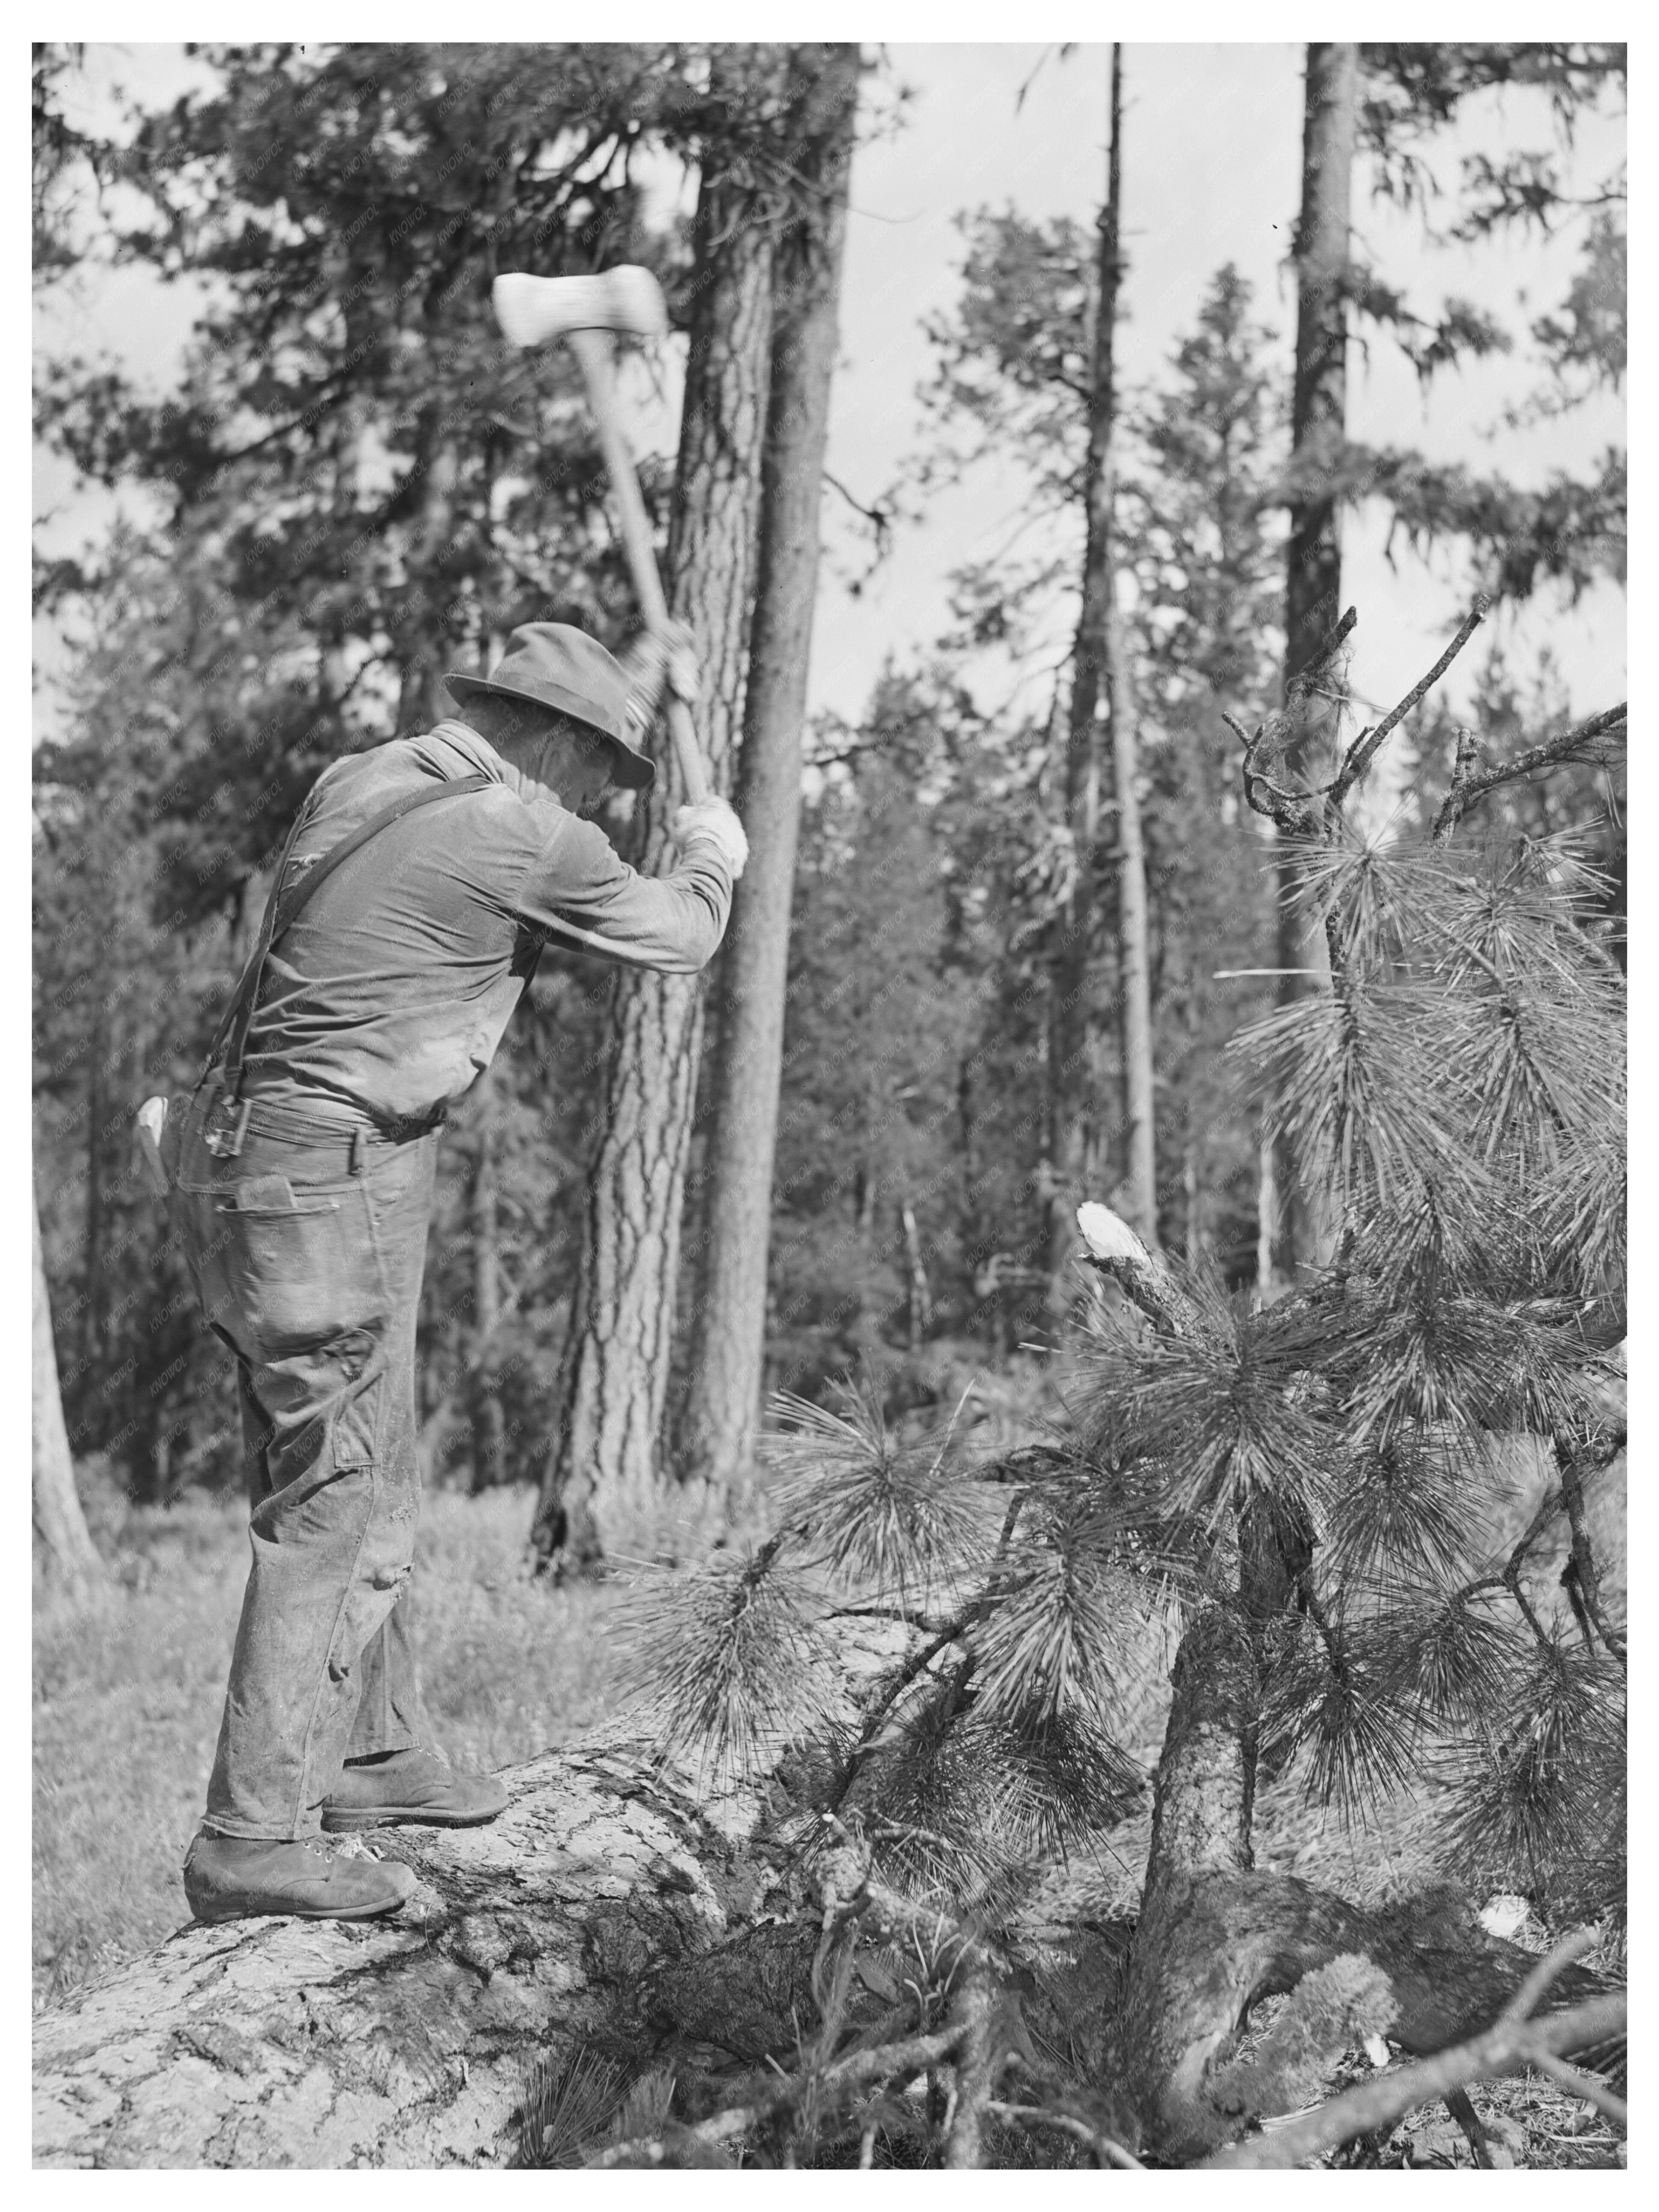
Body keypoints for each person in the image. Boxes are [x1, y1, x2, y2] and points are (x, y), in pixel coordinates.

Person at [163, 621, 748, 1924]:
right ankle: (248, 1838)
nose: (604, 804)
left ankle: (375, 1751)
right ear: (557, 744)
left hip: (258, 1156)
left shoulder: (365, 779)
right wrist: (711, 844)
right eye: (607, 775)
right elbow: (677, 937)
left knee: (363, 1458)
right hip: (338, 1167)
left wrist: (646, 681)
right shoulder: (526, 831)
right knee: (335, 1495)